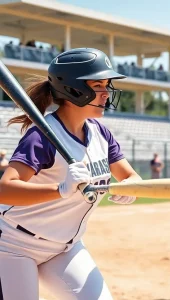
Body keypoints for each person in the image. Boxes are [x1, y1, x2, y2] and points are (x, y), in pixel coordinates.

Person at [0, 48, 142, 300]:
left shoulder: (100, 133)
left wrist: (130, 187)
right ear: (74, 90)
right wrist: (60, 190)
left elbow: (131, 176)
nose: (106, 93)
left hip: (65, 247)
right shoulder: (41, 137)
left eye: (107, 85)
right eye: (98, 85)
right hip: (15, 245)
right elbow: (5, 189)